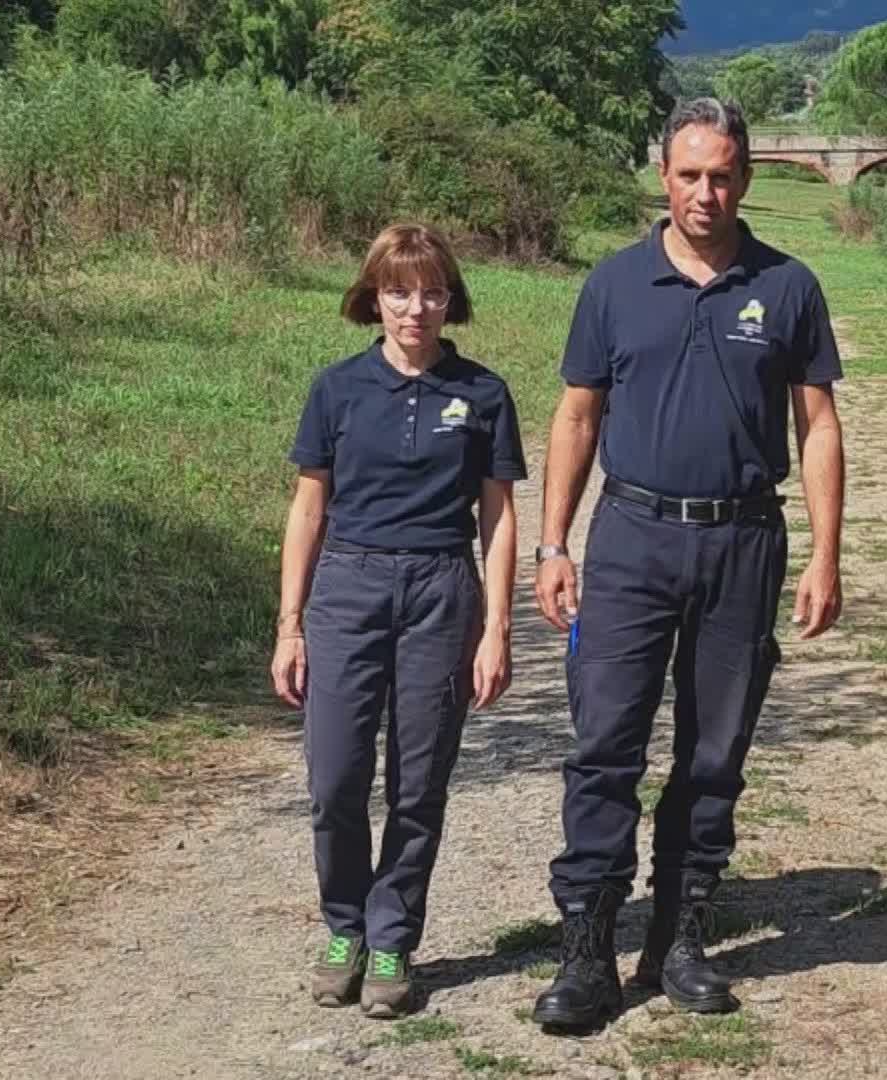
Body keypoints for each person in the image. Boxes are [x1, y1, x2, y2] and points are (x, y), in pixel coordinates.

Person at [529, 98, 845, 1030]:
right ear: (663, 178)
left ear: (745, 179)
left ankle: (680, 937)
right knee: (603, 749)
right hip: (630, 539)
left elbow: (817, 426)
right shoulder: (615, 284)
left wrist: (827, 554)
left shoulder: (788, 286)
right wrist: (553, 543)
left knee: (715, 754)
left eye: (722, 175)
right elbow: (576, 416)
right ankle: (587, 949)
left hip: (744, 541)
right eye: (689, 174)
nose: (705, 192)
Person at [271, 224, 525, 1018]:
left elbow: (499, 517)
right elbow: (308, 507)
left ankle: (392, 939)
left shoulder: (482, 394)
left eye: (433, 292)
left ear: (452, 300)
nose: (417, 308)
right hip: (348, 586)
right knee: (336, 778)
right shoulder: (337, 389)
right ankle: (344, 926)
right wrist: (291, 623)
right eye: (399, 291)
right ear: (372, 297)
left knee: (418, 784)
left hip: (441, 590)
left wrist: (496, 627)